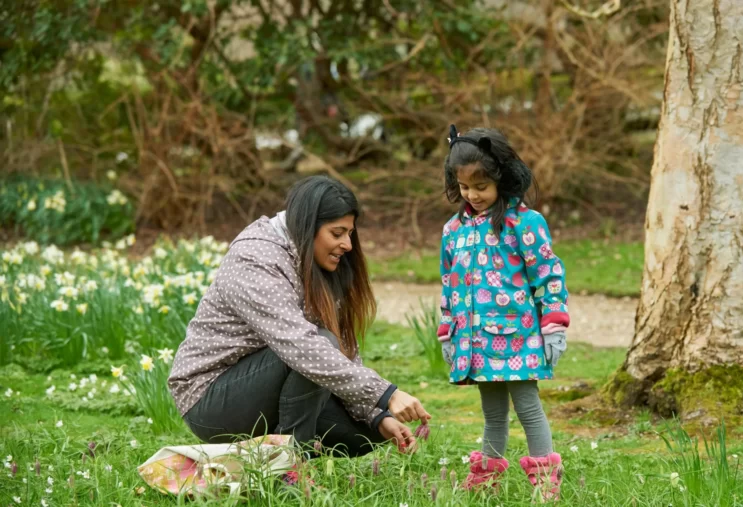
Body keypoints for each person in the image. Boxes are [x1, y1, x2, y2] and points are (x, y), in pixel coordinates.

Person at [168, 175, 430, 459]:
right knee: (316, 346)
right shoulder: (255, 258)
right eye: (337, 233)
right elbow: (300, 346)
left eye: (350, 233)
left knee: (365, 434)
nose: (348, 245)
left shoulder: (314, 261)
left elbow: (340, 349)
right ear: (308, 227)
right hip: (211, 400)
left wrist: (376, 414)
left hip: (268, 381)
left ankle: (271, 453)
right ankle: (289, 465)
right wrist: (386, 394)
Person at [436, 124, 569, 500]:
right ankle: (484, 481)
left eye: (481, 186)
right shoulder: (453, 230)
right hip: (477, 344)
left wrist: (554, 325)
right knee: (492, 414)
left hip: (518, 337)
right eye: (464, 187)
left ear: (501, 177)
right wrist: (449, 330)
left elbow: (548, 274)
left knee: (528, 407)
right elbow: (450, 284)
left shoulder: (524, 224)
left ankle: (546, 482)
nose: (472, 195)